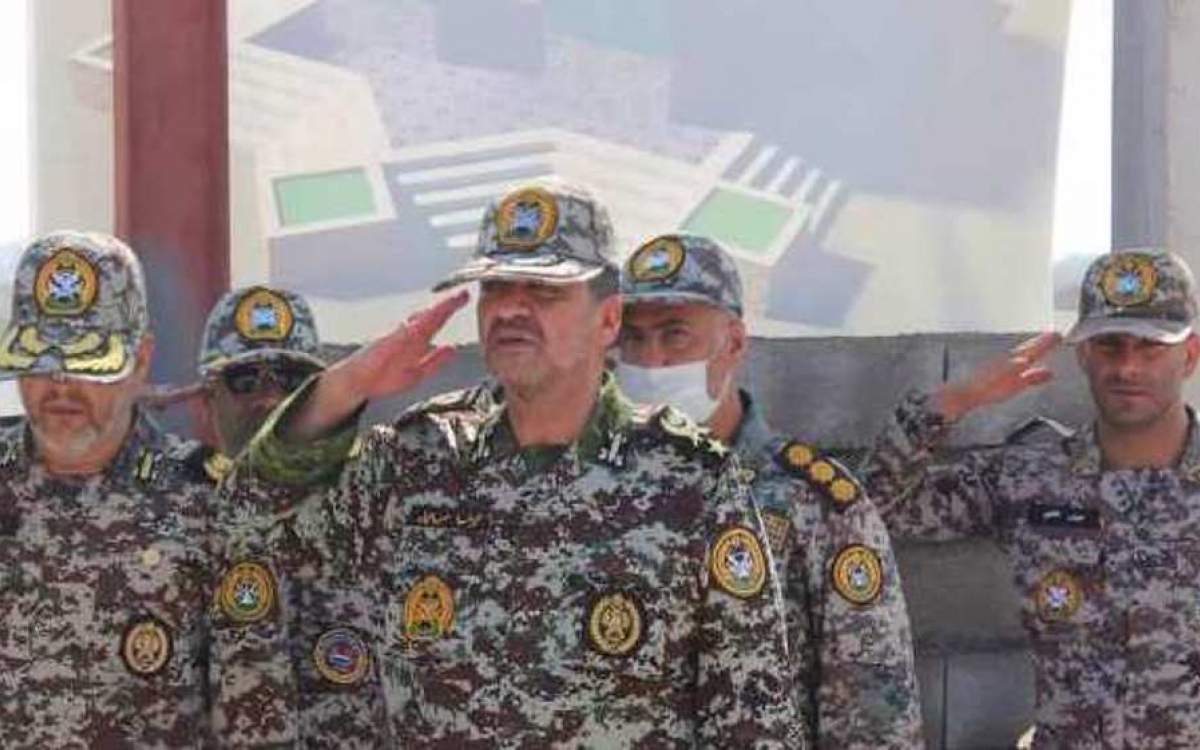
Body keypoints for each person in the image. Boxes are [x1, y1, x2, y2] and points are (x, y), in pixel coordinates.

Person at [235, 184, 803, 746]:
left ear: (607, 321)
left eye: (544, 291)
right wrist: (346, 386)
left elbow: (755, 723)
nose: (510, 308)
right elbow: (247, 526)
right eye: (496, 288)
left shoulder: (691, 482)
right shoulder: (414, 463)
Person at [861, 247, 1200, 748]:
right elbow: (869, 510)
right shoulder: (1028, 476)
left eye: (1150, 348)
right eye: (1110, 346)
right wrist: (956, 403)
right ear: (1083, 354)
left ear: (1189, 355)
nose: (1128, 367)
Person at [616, 233, 924, 749]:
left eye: (675, 336)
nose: (652, 361)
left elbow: (872, 703)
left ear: (733, 343)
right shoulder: (592, 487)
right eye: (633, 339)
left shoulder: (817, 500)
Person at [0, 230, 215, 747]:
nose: (62, 386)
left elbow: (254, 696)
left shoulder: (205, 501)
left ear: (140, 361)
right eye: (42, 361)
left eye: (86, 361)